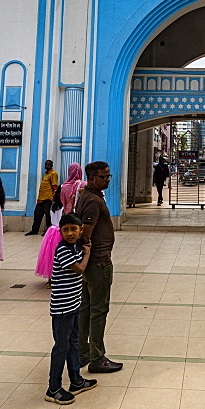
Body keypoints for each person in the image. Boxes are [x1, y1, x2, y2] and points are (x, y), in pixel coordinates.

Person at [46, 212, 98, 405]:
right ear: (60, 232)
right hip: (62, 309)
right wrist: (87, 253)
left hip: (74, 305)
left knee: (74, 342)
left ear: (80, 230)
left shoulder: (75, 245)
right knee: (61, 347)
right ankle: (53, 388)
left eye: (73, 229)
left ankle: (76, 381)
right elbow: (80, 269)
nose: (70, 233)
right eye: (65, 230)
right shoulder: (63, 250)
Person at [76, 160, 122, 373]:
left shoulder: (87, 195)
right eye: (104, 176)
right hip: (98, 263)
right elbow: (85, 233)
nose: (108, 179)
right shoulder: (93, 201)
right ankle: (97, 358)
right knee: (98, 310)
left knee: (85, 309)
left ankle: (82, 352)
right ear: (92, 178)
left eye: (108, 176)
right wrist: (90, 253)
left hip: (90, 264)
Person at [36, 187, 65, 282]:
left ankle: (50, 278)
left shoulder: (53, 206)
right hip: (60, 231)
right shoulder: (64, 207)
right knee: (58, 255)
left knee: (50, 256)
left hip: (52, 231)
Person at [27, 159, 59, 235]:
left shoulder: (53, 174)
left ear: (52, 165)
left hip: (48, 198)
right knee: (37, 214)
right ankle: (34, 230)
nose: (47, 166)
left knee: (48, 215)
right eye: (46, 164)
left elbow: (54, 186)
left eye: (48, 164)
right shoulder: (45, 174)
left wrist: (54, 197)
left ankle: (48, 231)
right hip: (41, 198)